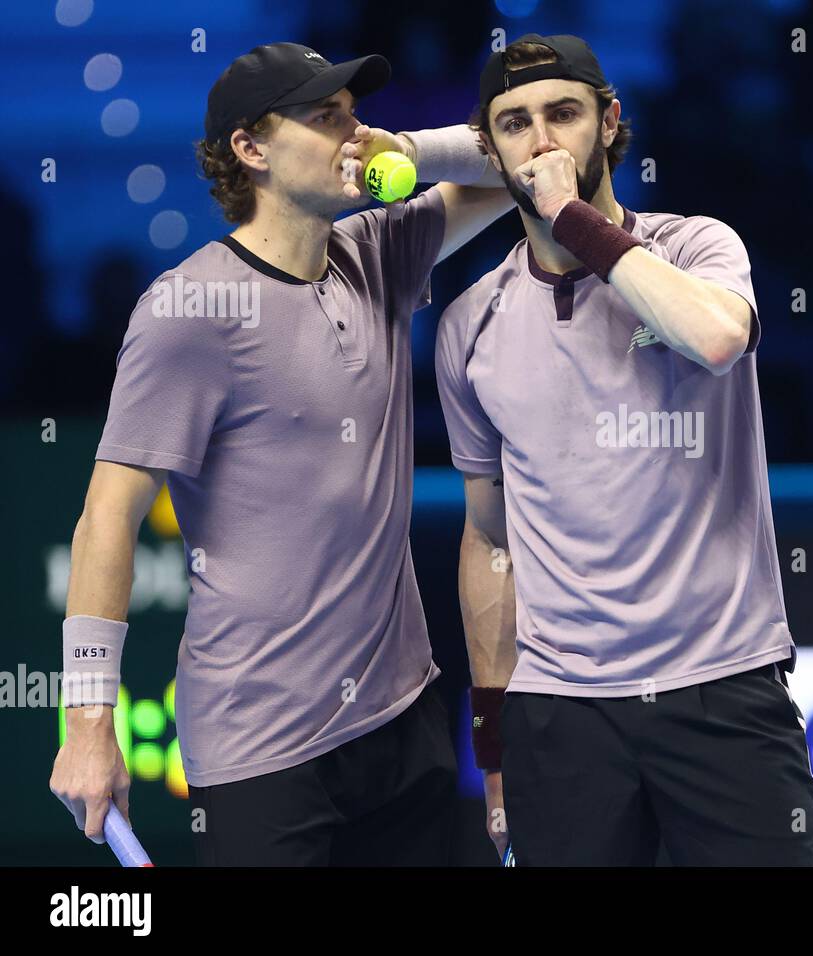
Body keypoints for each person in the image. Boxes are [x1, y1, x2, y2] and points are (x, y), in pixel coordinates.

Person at [49, 41, 516, 865]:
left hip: (405, 718)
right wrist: (89, 725)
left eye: (355, 114)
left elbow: (518, 155)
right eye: (324, 117)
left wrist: (408, 151)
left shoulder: (379, 251)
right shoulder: (190, 309)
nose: (354, 134)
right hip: (266, 750)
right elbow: (104, 521)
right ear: (250, 150)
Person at [436, 34, 813, 865]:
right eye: (514, 124)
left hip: (724, 687)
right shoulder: (469, 322)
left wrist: (570, 218)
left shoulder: (697, 248)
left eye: (564, 114)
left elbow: (718, 338)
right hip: (560, 713)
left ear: (610, 124)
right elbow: (490, 538)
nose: (541, 141)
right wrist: (494, 749)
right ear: (490, 149)